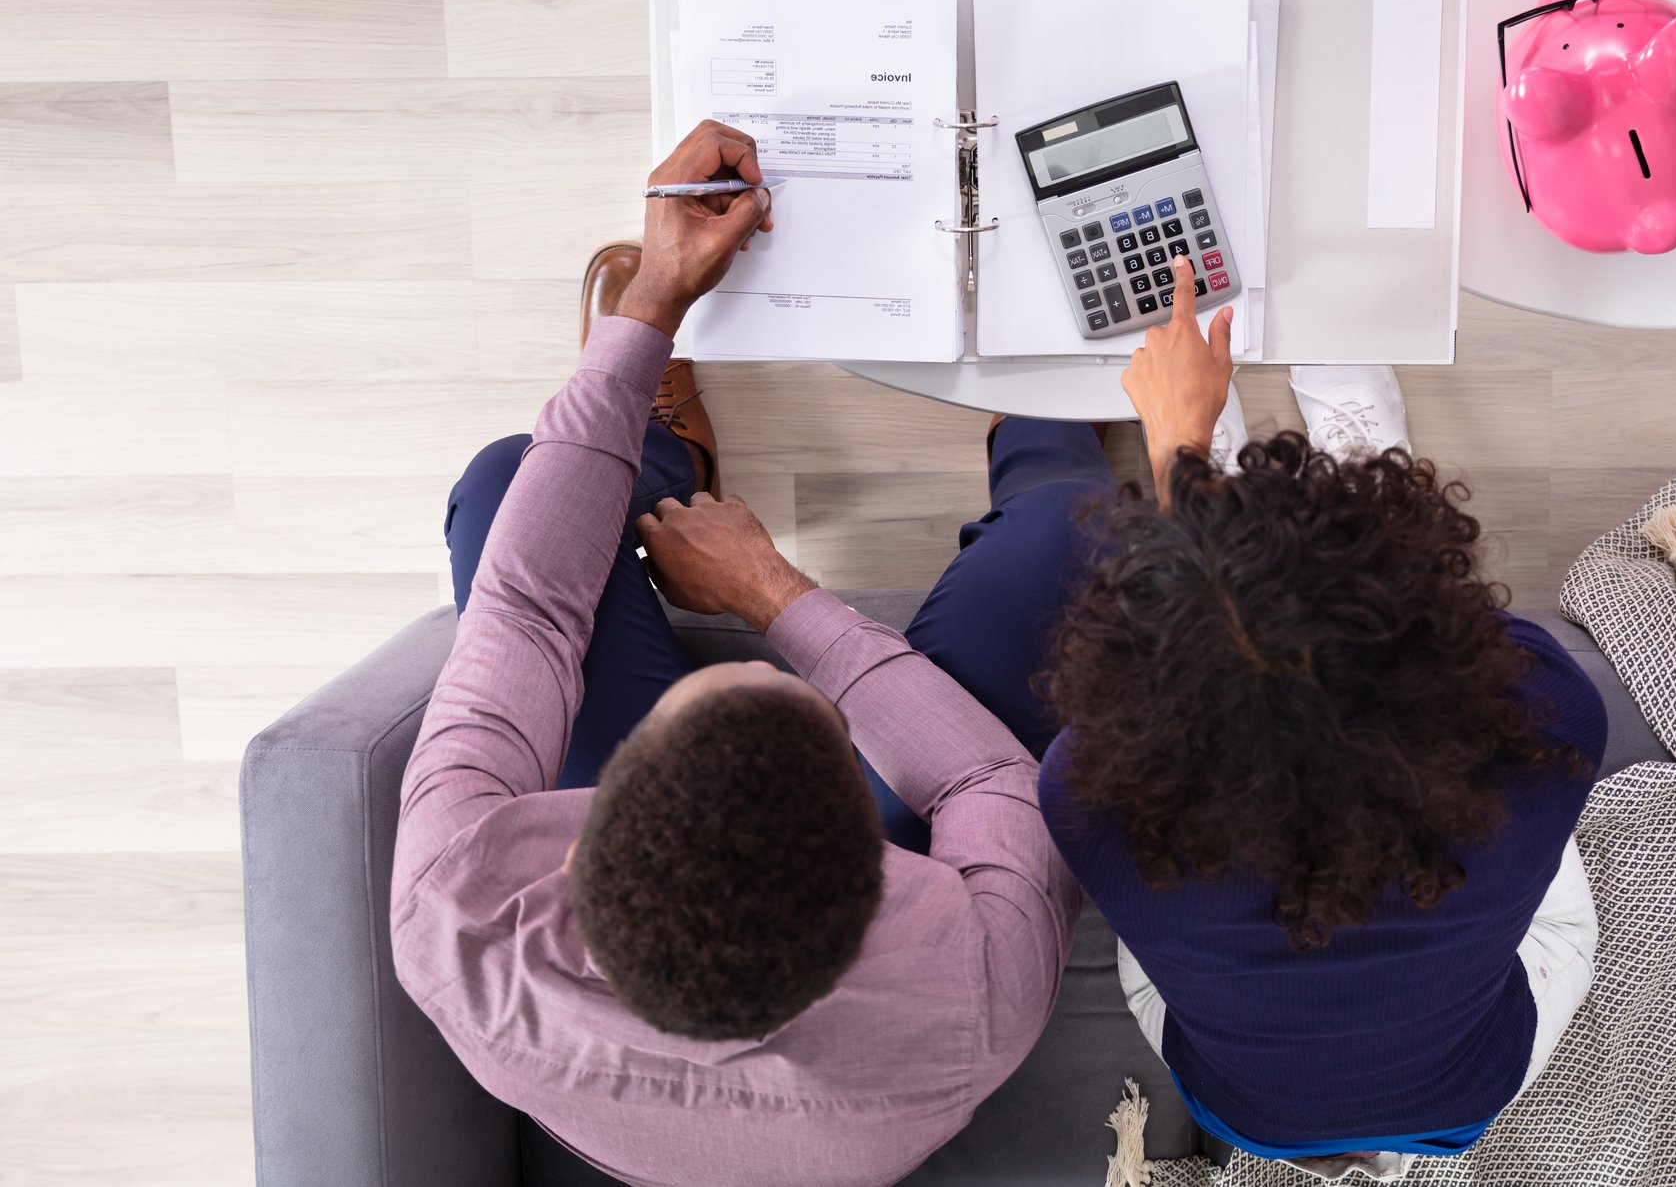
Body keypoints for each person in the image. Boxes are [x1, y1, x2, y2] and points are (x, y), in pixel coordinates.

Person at [389, 120, 1087, 1187]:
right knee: (1064, 540)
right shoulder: (974, 988)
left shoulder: (456, 907)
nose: (755, 668)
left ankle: (668, 454)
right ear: (882, 882)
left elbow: (525, 612)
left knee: (503, 482)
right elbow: (986, 778)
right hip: (864, 1000)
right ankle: (1039, 425)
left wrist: (654, 301)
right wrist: (772, 594)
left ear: (576, 849)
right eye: (782, 695)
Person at [1037, 270, 1609, 1178]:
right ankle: (1356, 470)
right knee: (1526, 817)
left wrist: (1195, 515)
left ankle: (1250, 507)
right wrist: (1183, 468)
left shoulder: (1082, 798)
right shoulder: (1553, 719)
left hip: (1250, 1110)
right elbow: (1471, 632)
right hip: (1461, 1088)